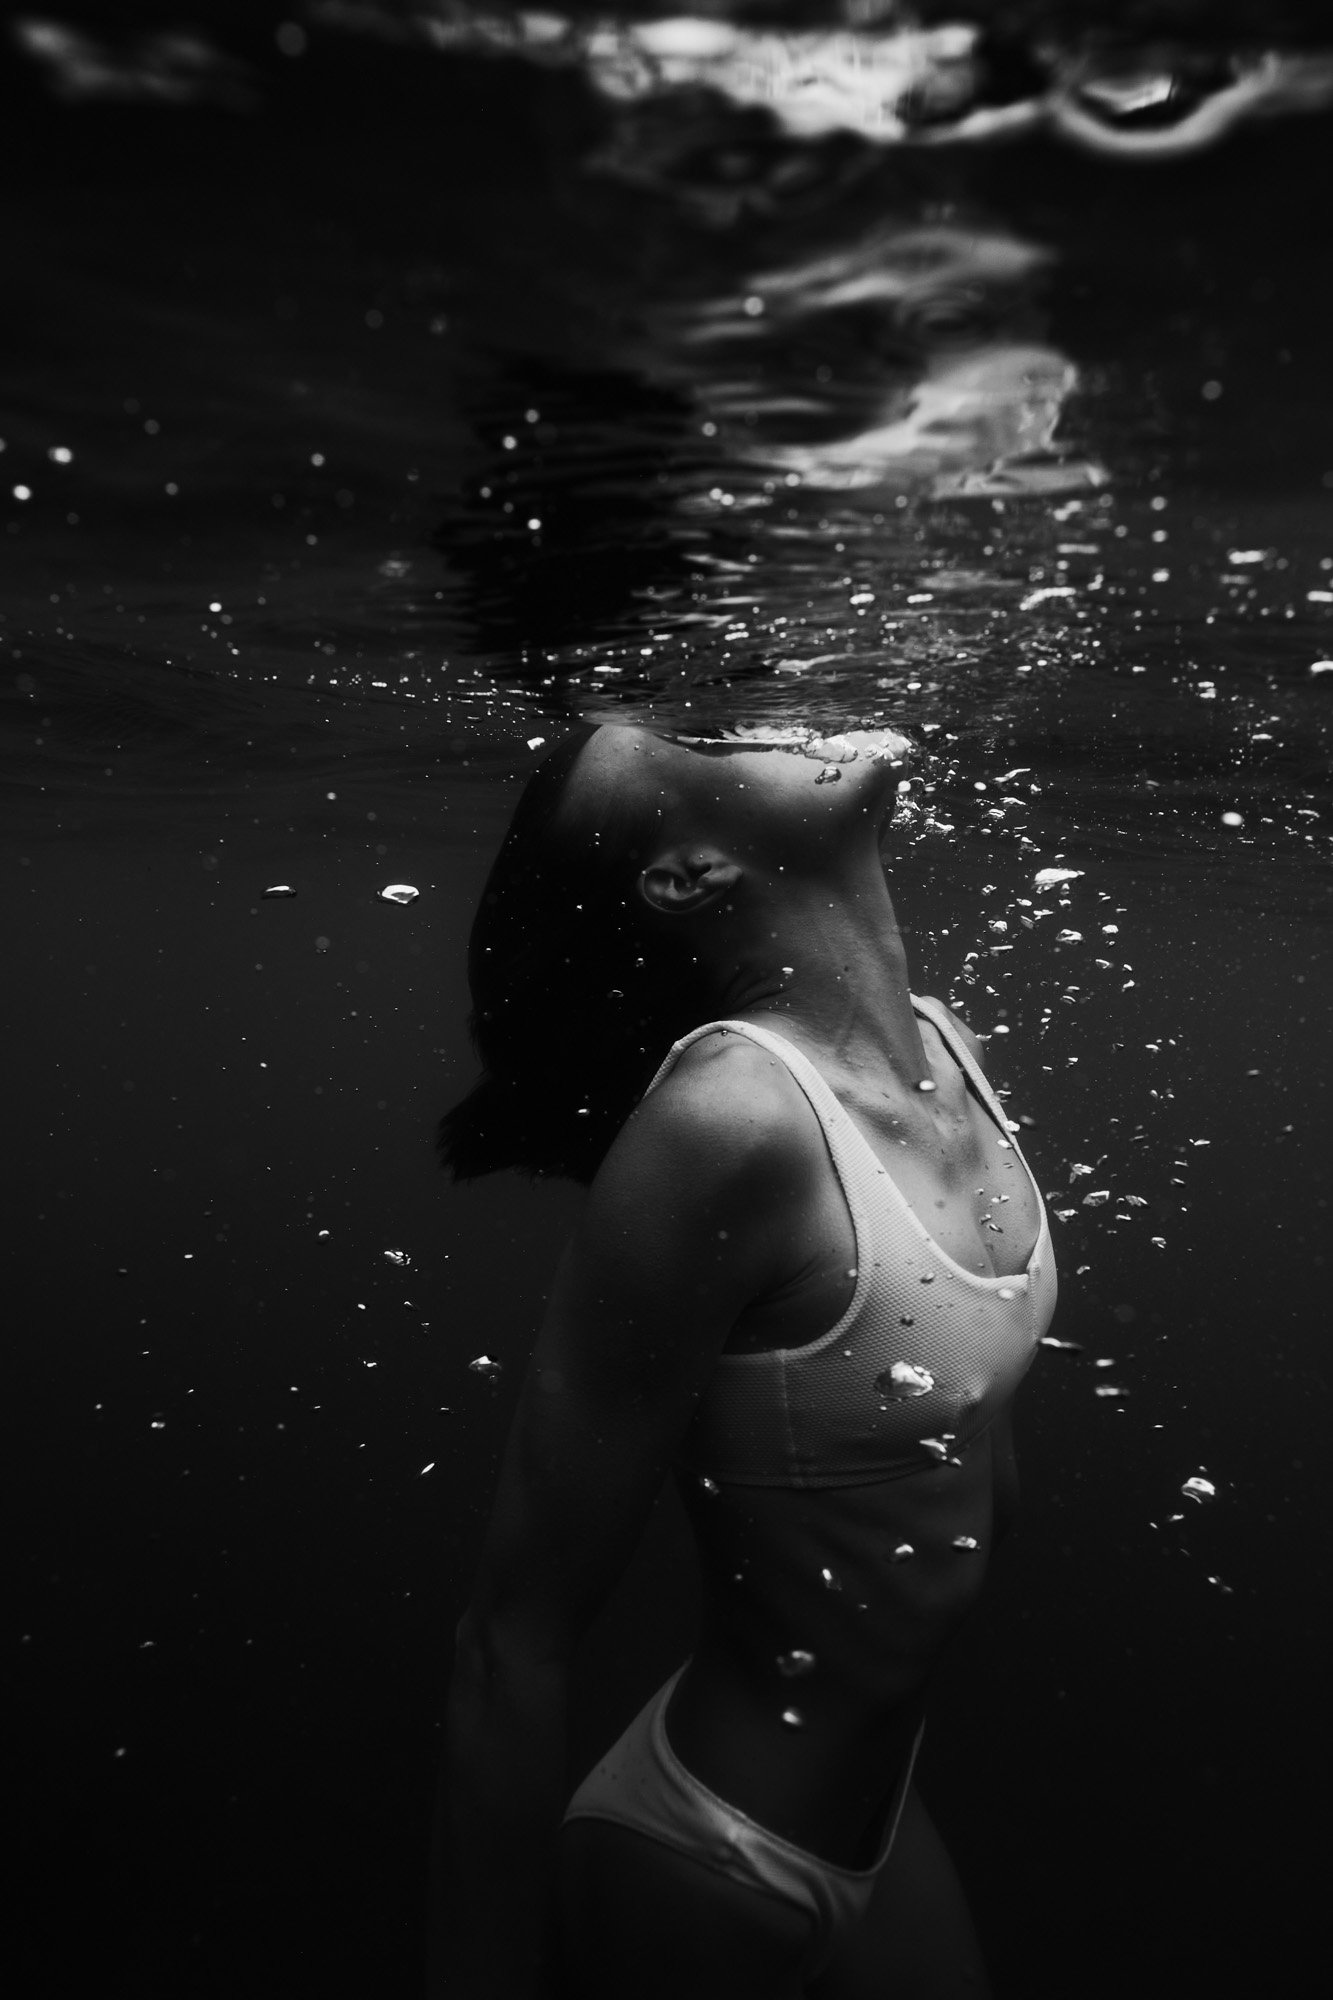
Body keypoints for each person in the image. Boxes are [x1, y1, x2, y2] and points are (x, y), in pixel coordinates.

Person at [428, 720, 1057, 1999]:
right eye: (702, 725)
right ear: (685, 874)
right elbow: (513, 1633)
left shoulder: (943, 1048)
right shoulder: (728, 1122)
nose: (773, 707)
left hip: (877, 1816)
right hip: (707, 1859)